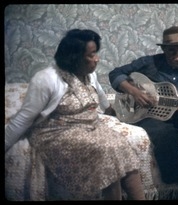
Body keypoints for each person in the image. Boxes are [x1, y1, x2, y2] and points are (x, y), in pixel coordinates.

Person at [5, 29, 145, 200]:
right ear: (74, 57)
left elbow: (103, 103)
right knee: (107, 150)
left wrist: (120, 116)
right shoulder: (46, 79)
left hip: (89, 127)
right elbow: (22, 119)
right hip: (55, 132)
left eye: (96, 53)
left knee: (121, 145)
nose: (97, 59)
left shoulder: (90, 75)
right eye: (91, 55)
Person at [109, 26, 178, 200]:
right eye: (172, 51)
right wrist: (134, 92)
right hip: (148, 112)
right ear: (163, 49)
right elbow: (115, 73)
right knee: (165, 133)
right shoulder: (148, 62)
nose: (177, 57)